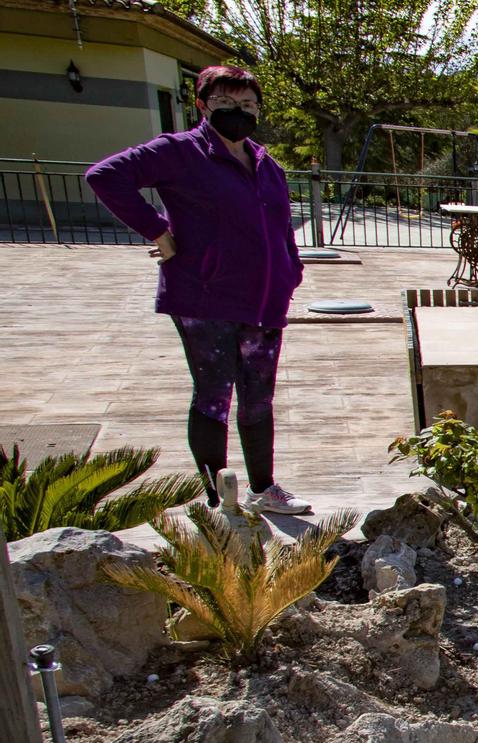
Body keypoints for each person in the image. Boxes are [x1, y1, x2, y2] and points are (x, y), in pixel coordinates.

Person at [86, 64, 311, 515]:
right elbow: (105, 175)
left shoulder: (267, 163)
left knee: (259, 395)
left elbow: (281, 225)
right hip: (206, 297)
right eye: (227, 103)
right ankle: (216, 499)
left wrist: (291, 269)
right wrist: (159, 231)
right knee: (214, 395)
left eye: (248, 104)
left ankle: (262, 489)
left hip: (264, 300)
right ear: (204, 105)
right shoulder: (181, 152)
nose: (239, 112)